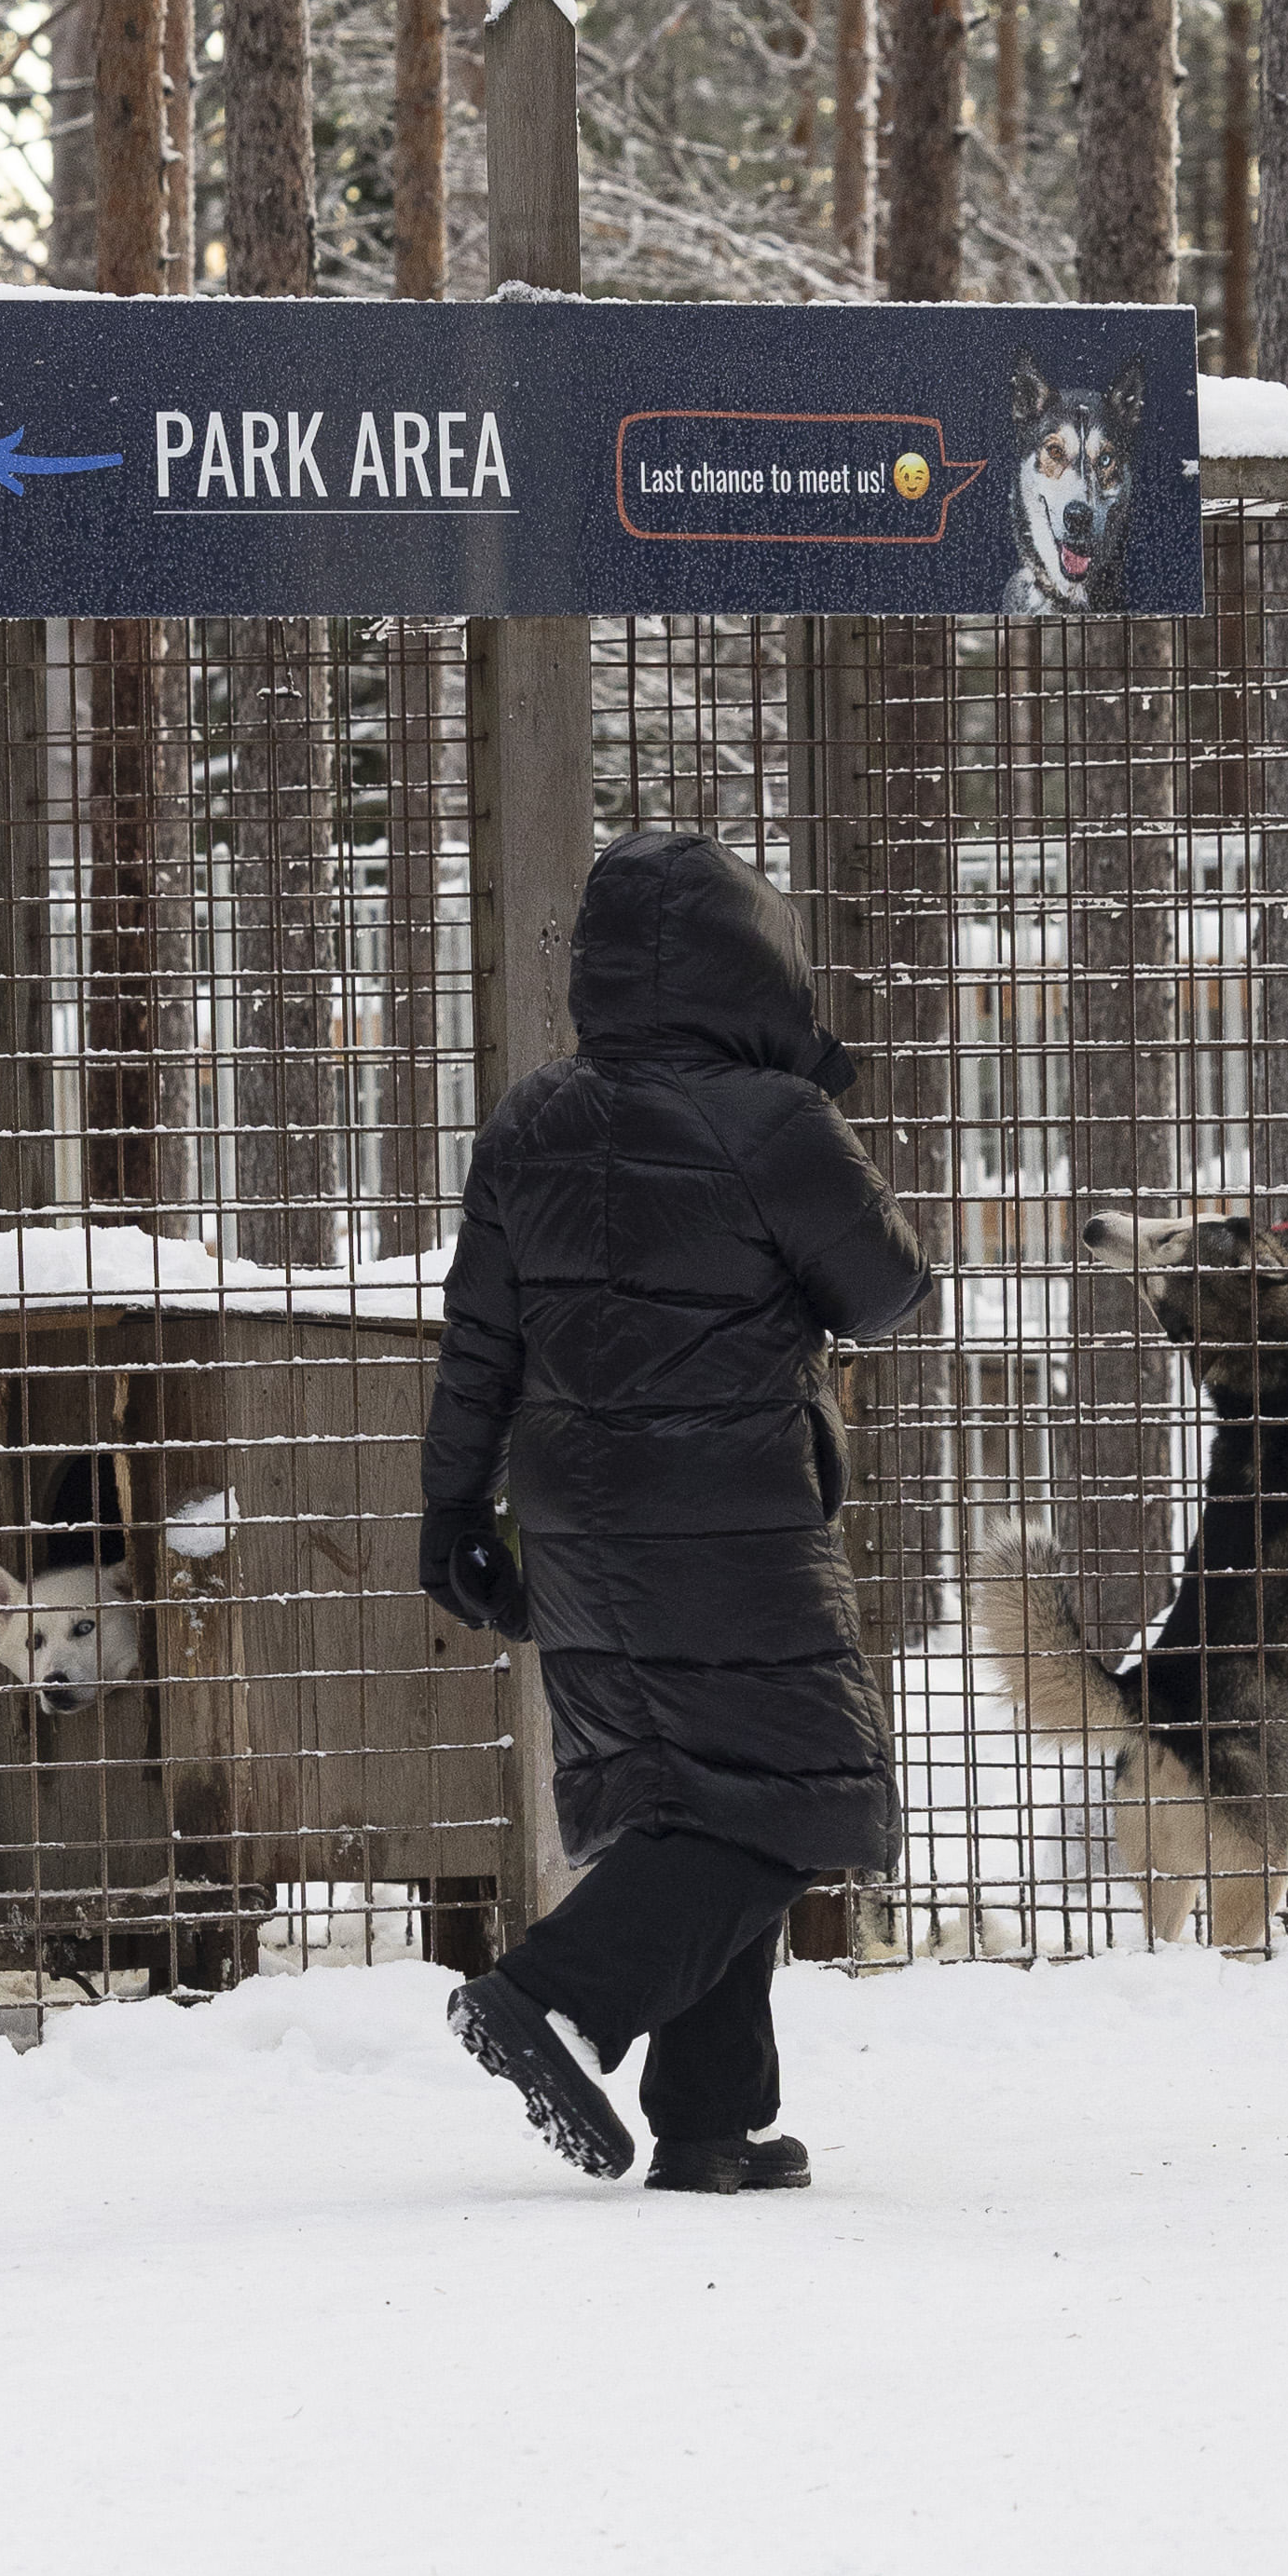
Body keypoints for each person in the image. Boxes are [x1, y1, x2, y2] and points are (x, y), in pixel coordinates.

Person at [421, 829, 936, 2188]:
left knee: (700, 1800)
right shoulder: (772, 1121)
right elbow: (889, 1293)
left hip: (573, 1530)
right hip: (730, 1522)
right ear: (754, 968)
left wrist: (448, 1512)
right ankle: (556, 1995)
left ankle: (711, 2124)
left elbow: (478, 1343)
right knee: (796, 1799)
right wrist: (810, 1094)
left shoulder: (530, 1120)